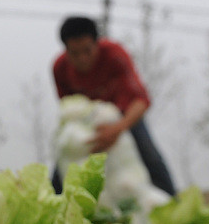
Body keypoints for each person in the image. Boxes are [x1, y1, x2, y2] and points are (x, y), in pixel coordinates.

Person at [50, 16, 176, 196]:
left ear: (97, 43)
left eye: (87, 51)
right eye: (75, 54)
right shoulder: (59, 68)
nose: (82, 59)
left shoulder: (115, 55)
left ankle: (173, 206)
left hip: (124, 117)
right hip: (87, 124)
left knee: (150, 156)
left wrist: (117, 129)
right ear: (66, 50)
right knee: (63, 168)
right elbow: (69, 110)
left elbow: (141, 100)